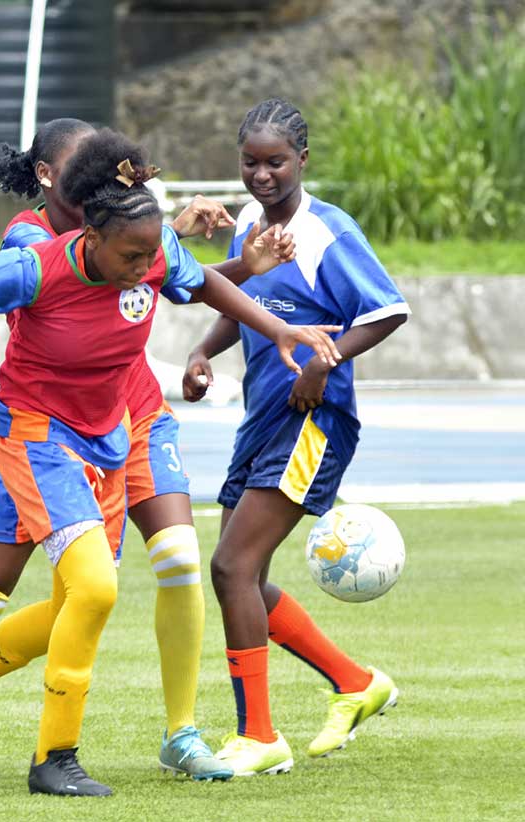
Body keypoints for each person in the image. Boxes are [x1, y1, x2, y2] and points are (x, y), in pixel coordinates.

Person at [0, 127, 342, 796]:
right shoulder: (30, 264)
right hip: (36, 435)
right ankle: (54, 757)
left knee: (73, 606)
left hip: (109, 438)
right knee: (92, 589)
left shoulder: (153, 249)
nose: (144, 269)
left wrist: (279, 327)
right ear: (88, 234)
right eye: (131, 256)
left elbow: (199, 285)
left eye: (150, 255)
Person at [182, 98, 409, 777]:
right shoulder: (250, 225)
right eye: (250, 162)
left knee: (232, 568)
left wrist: (322, 358)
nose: (261, 175)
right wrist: (203, 352)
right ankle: (355, 682)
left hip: (316, 416)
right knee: (238, 577)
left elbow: (388, 310)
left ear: (302, 161)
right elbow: (239, 302)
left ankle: (259, 736)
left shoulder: (327, 233)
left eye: (276, 162)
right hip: (262, 415)